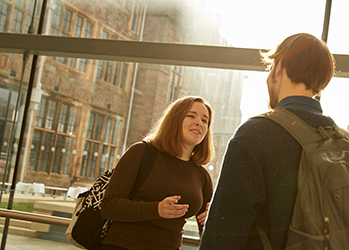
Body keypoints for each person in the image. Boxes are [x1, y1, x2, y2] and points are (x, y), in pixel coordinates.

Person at [199, 33, 336, 249]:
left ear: (279, 67)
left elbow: (221, 237)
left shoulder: (255, 135)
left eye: (270, 68)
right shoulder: (338, 140)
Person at [101, 96, 215, 250]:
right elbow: (109, 206)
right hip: (123, 246)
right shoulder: (141, 152)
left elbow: (208, 232)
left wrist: (211, 221)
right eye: (191, 116)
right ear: (174, 120)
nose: (199, 123)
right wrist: (157, 209)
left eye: (205, 120)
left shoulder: (202, 176)